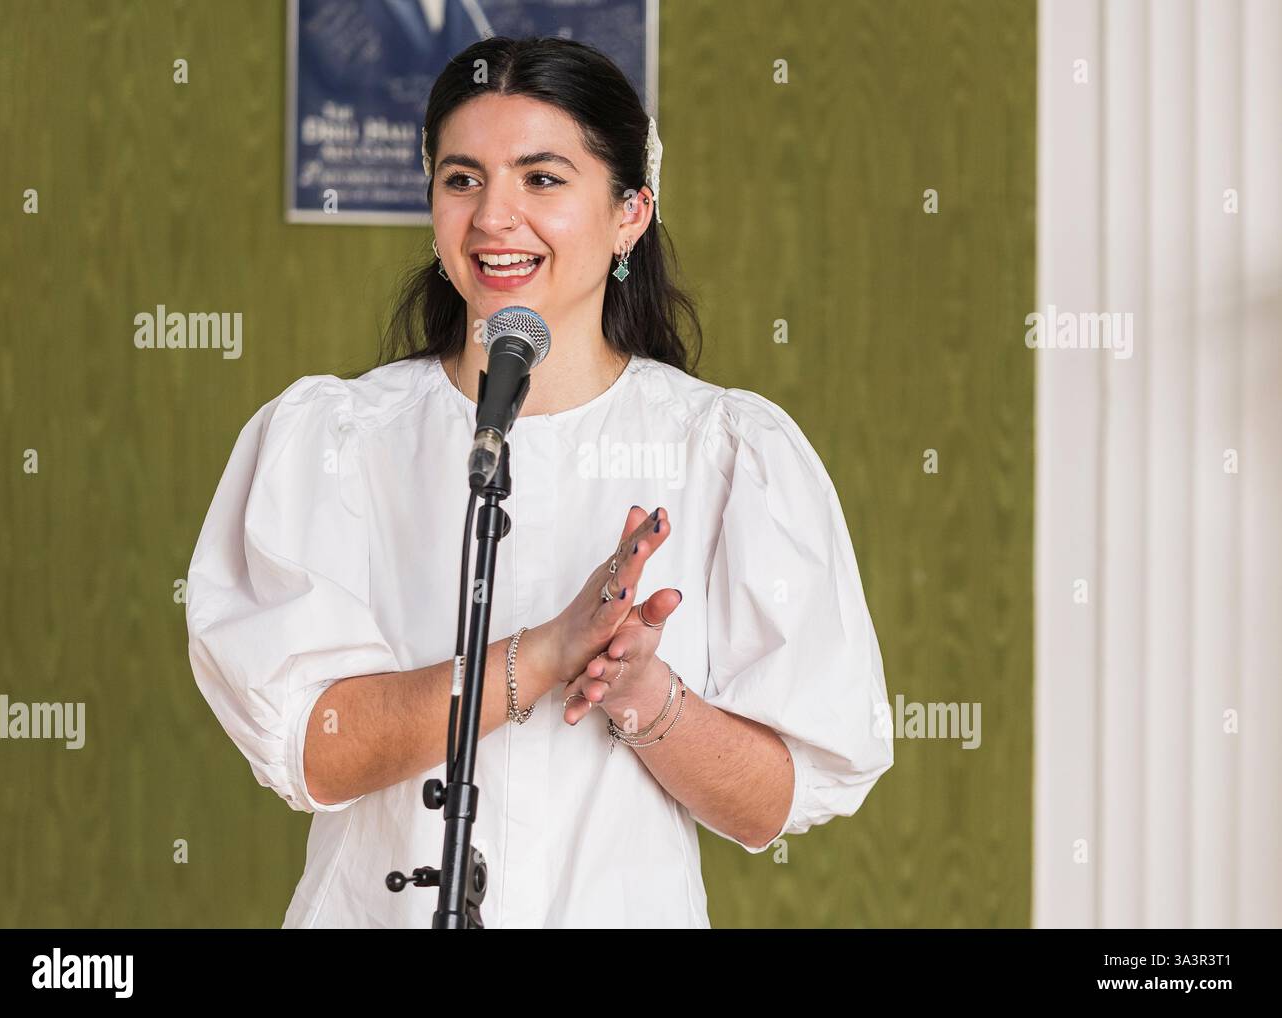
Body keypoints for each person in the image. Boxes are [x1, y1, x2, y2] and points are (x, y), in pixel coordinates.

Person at [185, 36, 892, 929]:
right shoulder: (339, 441)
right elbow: (315, 753)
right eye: (462, 178)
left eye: (543, 179)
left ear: (630, 212)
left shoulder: (724, 451)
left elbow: (773, 802)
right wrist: (544, 656)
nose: (494, 218)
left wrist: (647, 695)